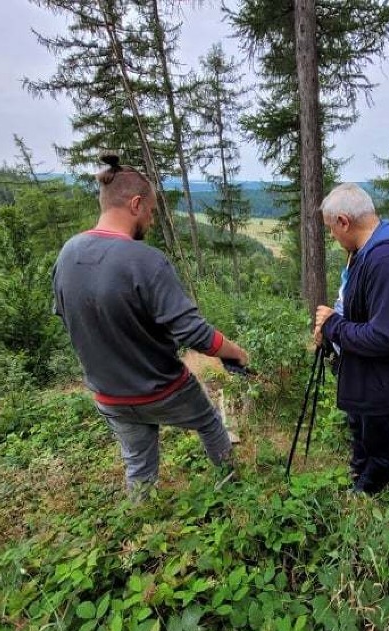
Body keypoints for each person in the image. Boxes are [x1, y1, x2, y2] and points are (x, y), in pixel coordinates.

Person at [52, 153, 249, 497]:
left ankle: (141, 525)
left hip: (108, 394)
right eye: (153, 211)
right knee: (207, 422)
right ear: (136, 204)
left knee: (138, 466)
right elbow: (194, 333)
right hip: (161, 388)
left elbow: (65, 314)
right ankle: (234, 487)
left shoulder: (68, 253)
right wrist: (236, 352)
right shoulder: (146, 261)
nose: (153, 220)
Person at [314, 183, 389, 495]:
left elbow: (385, 336)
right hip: (369, 372)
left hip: (386, 378)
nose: (332, 236)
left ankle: (367, 493)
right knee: (361, 428)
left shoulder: (388, 261)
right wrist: (331, 325)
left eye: (330, 229)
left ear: (343, 221)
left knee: (379, 439)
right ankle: (358, 471)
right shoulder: (364, 251)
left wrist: (333, 326)